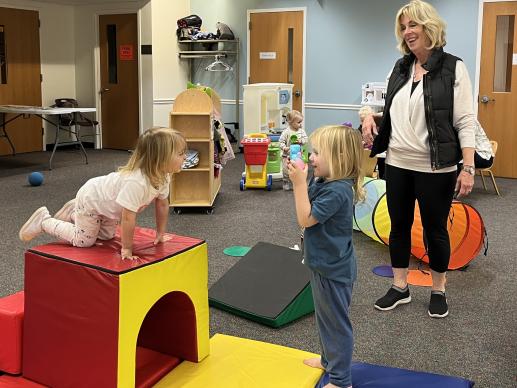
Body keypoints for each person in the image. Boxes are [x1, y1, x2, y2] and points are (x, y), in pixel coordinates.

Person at [361, 0, 476, 318]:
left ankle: (439, 289)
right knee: (398, 227)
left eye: (413, 25)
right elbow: (393, 112)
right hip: (397, 161)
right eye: (403, 27)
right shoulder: (399, 67)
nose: (407, 32)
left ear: (429, 26)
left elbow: (465, 121)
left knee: (435, 229)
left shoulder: (454, 68)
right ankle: (400, 287)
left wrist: (468, 167)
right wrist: (369, 115)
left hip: (436, 166)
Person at [19, 127, 187, 260]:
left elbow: (163, 204)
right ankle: (45, 221)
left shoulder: (164, 176)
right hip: (93, 199)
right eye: (180, 154)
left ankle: (74, 211)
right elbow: (128, 217)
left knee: (106, 238)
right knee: (84, 241)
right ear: (159, 158)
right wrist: (127, 248)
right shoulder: (137, 182)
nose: (185, 157)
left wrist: (160, 233)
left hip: (107, 206)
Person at [289, 125, 365, 388]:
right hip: (321, 264)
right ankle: (327, 360)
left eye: (317, 153)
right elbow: (308, 204)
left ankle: (342, 380)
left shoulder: (339, 191)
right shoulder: (325, 182)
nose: (311, 157)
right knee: (324, 318)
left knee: (336, 324)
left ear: (339, 158)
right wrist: (305, 180)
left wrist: (298, 184)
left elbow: (305, 218)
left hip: (334, 271)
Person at [279, 110, 308, 190]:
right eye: (298, 122)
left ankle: (297, 182)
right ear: (291, 122)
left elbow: (306, 139)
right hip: (287, 155)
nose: (300, 124)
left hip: (298, 155)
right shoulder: (286, 132)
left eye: (301, 122)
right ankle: (285, 181)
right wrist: (284, 148)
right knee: (286, 169)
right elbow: (281, 142)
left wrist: (301, 141)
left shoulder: (301, 131)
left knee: (298, 168)